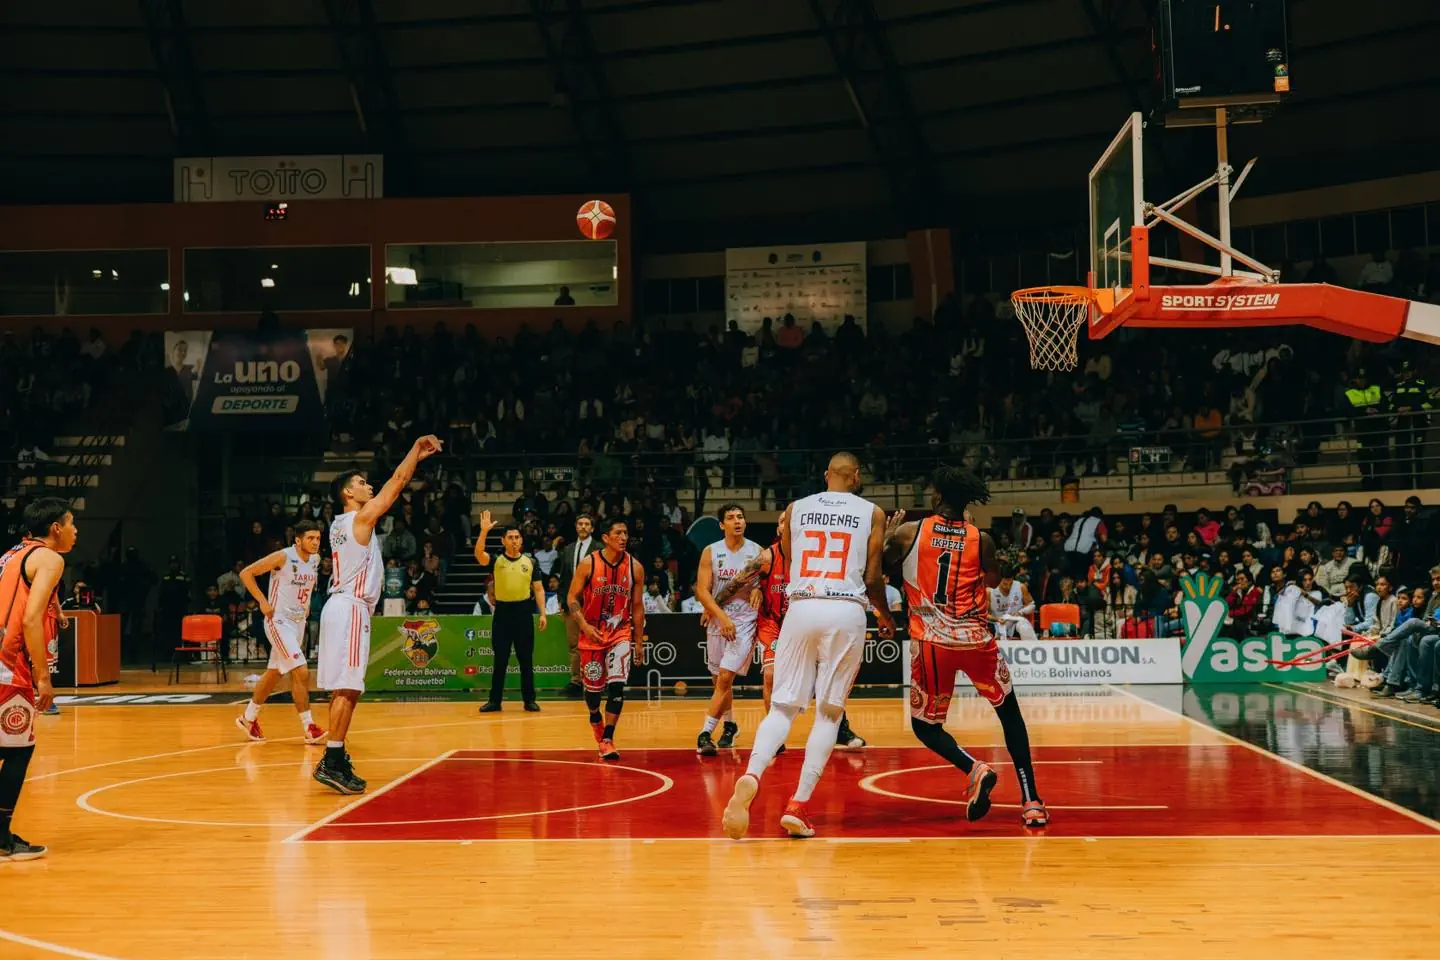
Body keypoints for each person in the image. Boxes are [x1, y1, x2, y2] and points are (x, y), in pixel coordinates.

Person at [722, 452, 893, 840]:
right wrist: (885, 614)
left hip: (800, 605)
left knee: (782, 707)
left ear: (826, 475)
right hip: (845, 609)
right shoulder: (872, 512)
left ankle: (751, 773)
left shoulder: (797, 508)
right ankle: (797, 806)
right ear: (858, 476)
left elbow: (790, 557)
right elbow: (872, 574)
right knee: (829, 715)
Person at [884, 466, 1049, 828]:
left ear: (938, 497)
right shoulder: (981, 538)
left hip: (932, 643)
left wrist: (887, 538)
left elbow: (881, 569)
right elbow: (990, 578)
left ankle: (974, 767)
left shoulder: (910, 532)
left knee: (926, 727)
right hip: (976, 641)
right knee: (1009, 715)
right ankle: (1032, 800)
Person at [315, 435, 443, 795]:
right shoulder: (359, 518)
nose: (367, 486)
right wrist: (415, 452)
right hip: (350, 607)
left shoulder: (340, 525)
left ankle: (335, 756)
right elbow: (397, 483)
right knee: (349, 687)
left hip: (339, 606)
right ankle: (332, 759)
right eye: (360, 483)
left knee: (345, 687)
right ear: (347, 494)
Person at [715, 511, 866, 758]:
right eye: (783, 521)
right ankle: (774, 738)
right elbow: (737, 583)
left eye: (792, 521)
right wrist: (713, 606)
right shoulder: (766, 557)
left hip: (807, 620)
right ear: (778, 529)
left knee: (826, 675)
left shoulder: (816, 557)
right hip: (774, 623)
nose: (788, 525)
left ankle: (841, 729)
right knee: (771, 676)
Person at [0, 497, 78, 860]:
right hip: (8, 662)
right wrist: (43, 676)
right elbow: (29, 619)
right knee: (18, 749)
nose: (76, 531)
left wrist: (55, 606)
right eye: (72, 523)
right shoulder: (51, 558)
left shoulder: (13, 553)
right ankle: (1, 839)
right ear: (56, 528)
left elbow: (21, 594)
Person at [234, 520, 327, 744]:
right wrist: (263, 602)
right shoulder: (282, 557)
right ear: (298, 540)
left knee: (274, 673)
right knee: (301, 671)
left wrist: (304, 609)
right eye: (310, 538)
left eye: (317, 538)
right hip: (278, 621)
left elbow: (304, 588)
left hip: (297, 624)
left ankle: (248, 718)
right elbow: (246, 574)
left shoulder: (314, 560)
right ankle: (309, 727)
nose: (315, 543)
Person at [566, 517, 646, 761]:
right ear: (606, 538)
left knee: (617, 685)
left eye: (626, 533)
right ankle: (595, 718)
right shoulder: (588, 564)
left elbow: (638, 606)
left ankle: (608, 738)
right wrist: (584, 625)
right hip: (591, 632)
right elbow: (571, 598)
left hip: (620, 632)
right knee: (592, 691)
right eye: (618, 533)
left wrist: (639, 641)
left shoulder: (635, 567)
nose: (624, 537)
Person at [694, 504, 762, 755]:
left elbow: (770, 581)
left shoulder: (757, 552)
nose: (737, 521)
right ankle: (730, 725)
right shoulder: (711, 552)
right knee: (719, 680)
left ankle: (704, 733)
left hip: (744, 622)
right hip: (718, 621)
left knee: (725, 677)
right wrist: (720, 617)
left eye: (741, 517)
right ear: (722, 525)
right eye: (731, 518)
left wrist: (759, 589)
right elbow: (702, 590)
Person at [477, 519, 549, 713]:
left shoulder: (531, 562)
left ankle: (529, 700)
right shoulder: (496, 560)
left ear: (521, 540)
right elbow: (478, 555)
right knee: (500, 659)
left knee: (526, 659)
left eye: (517, 537)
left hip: (524, 612)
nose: (514, 540)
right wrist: (484, 532)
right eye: (510, 537)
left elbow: (539, 589)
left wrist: (543, 613)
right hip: (502, 613)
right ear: (503, 541)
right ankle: (494, 701)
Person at [555, 514, 601, 696]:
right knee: (574, 644)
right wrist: (561, 599)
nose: (583, 527)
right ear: (576, 527)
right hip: (572, 603)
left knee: (595, 643)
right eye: (580, 523)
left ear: (592, 528)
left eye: (587, 524)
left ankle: (596, 680)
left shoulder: (599, 549)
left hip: (593, 603)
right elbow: (564, 576)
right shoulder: (568, 549)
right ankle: (576, 681)